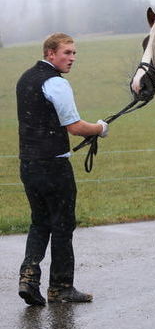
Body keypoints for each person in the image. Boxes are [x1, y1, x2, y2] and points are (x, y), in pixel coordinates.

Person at [16, 33, 109, 306]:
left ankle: (28, 278)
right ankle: (61, 287)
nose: (72, 58)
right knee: (63, 225)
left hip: (28, 164)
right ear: (50, 53)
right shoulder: (56, 83)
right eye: (67, 53)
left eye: (74, 53)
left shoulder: (25, 79)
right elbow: (76, 127)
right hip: (54, 166)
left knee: (39, 221)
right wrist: (100, 129)